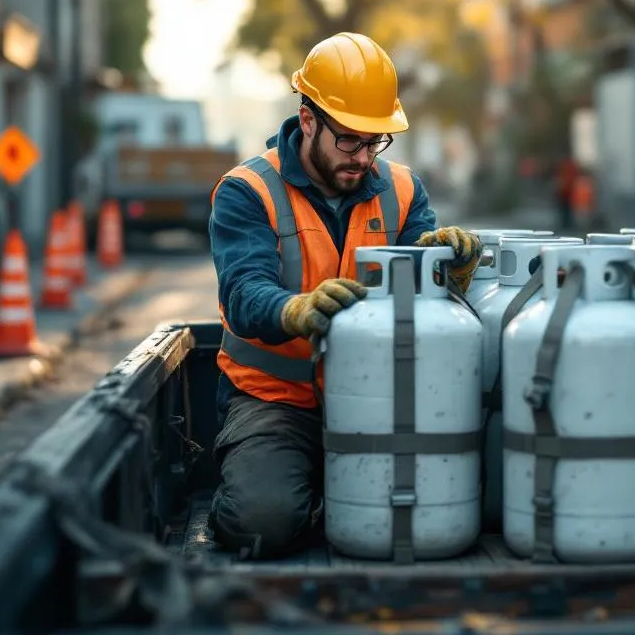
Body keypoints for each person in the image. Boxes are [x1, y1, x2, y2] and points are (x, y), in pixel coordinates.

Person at [207, 31, 483, 559]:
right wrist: (296, 308)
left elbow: (427, 304)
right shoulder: (248, 190)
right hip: (276, 400)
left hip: (382, 396)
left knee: (447, 499)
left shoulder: (403, 190)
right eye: (350, 139)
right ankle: (301, 495)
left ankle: (327, 496)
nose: (363, 156)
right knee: (262, 522)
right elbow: (244, 294)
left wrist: (450, 272)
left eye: (376, 140)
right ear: (308, 120)